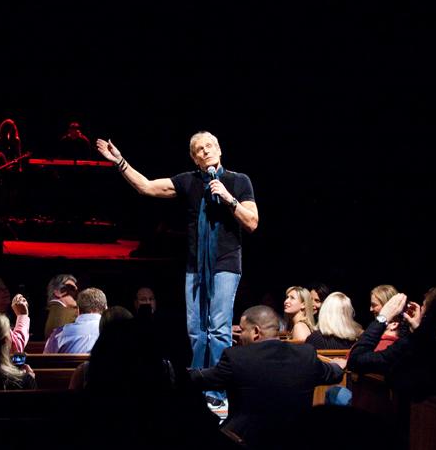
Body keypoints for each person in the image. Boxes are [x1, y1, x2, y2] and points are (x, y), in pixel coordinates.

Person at [96, 131, 259, 407]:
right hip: (196, 266)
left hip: (225, 263)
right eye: (199, 149)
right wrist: (120, 162)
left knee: (219, 330)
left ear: (219, 150)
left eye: (209, 146)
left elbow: (252, 222)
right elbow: (147, 187)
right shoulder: (188, 181)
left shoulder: (238, 181)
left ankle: (218, 392)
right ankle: (197, 389)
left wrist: (228, 197)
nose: (205, 151)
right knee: (197, 332)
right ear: (195, 159)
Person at [189, 305, 344, 448]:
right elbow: (335, 374)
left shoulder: (236, 357)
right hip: (296, 441)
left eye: (242, 330)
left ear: (256, 332)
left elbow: (200, 379)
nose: (239, 336)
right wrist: (338, 364)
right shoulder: (306, 355)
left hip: (245, 441)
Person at [43, 287, 107, 353]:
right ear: (105, 309)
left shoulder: (58, 334)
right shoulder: (112, 333)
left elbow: (46, 357)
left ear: (78, 310)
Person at [43, 273, 79, 339]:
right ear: (57, 292)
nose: (76, 292)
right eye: (71, 288)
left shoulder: (49, 311)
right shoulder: (69, 312)